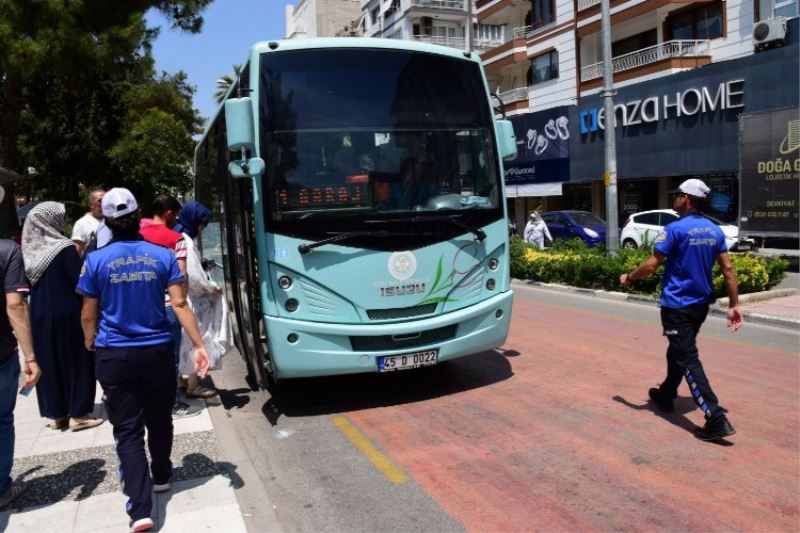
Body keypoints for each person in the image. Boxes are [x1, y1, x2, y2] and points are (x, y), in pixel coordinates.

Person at [77, 187, 210, 532]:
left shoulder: (95, 261)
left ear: (105, 220)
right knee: (159, 416)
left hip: (115, 353)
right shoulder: (162, 255)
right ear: (138, 217)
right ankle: (162, 474)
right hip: (156, 351)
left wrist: (90, 339)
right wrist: (199, 345)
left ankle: (140, 510)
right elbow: (179, 304)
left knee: (128, 431)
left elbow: (88, 312)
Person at [620, 178, 743, 442]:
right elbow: (729, 270)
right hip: (700, 305)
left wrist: (629, 277)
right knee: (678, 348)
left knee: (687, 356)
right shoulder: (713, 230)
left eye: (677, 194)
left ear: (687, 199)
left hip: (677, 305)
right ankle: (666, 393)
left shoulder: (675, 229)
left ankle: (716, 417)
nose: (673, 198)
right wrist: (734, 305)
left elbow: (652, 265)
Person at [21, 202, 102, 431]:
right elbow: (80, 282)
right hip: (68, 312)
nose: (65, 222)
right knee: (77, 361)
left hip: (39, 314)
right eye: (62, 217)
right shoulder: (65, 248)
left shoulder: (29, 251)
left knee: (50, 361)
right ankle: (78, 414)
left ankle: (58, 414)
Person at [139, 194, 195, 418]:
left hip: (141, 305)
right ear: (169, 213)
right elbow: (181, 274)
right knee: (168, 359)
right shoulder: (175, 238)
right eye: (176, 215)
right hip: (168, 305)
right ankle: (171, 403)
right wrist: (183, 299)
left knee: (144, 356)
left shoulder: (137, 235)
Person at [173, 201, 232, 398]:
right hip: (190, 299)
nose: (201, 228)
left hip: (181, 295)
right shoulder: (186, 242)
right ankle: (193, 384)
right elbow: (194, 277)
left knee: (184, 341)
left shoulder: (177, 235)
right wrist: (212, 288)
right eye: (201, 223)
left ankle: (182, 380)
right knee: (195, 340)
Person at [0, 235, 41, 508]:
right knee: (1, 420)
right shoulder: (7, 251)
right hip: (0, 352)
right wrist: (30, 356)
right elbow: (15, 304)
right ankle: (1, 489)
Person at [71, 189, 105, 256]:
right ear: (91, 204)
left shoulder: (113, 221)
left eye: (106, 200)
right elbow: (77, 251)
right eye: (100, 201)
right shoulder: (81, 223)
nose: (104, 203)